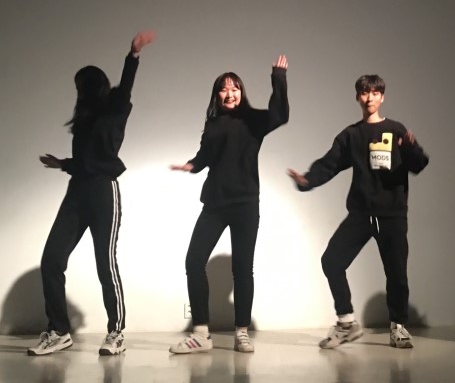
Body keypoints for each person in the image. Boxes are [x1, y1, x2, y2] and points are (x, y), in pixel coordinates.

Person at [28, 30, 155, 356]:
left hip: (103, 192)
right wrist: (62, 164)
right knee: (51, 260)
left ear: (94, 86)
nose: (79, 92)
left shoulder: (114, 109)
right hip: (77, 192)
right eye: (77, 88)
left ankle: (116, 332)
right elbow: (85, 160)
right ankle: (59, 331)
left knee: (105, 264)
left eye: (82, 86)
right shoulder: (83, 121)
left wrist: (133, 55)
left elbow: (125, 88)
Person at [288, 74, 428, 350]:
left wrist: (411, 149)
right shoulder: (351, 135)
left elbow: (419, 164)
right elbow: (330, 164)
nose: (369, 98)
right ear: (357, 97)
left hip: (392, 214)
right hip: (361, 214)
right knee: (332, 261)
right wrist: (307, 180)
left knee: (396, 273)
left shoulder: (396, 130)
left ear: (382, 97)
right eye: (364, 93)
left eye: (375, 93)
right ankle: (346, 323)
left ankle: (398, 327)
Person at [169, 56, 289, 354]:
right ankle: (200, 334)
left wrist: (278, 78)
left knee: (242, 268)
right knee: (194, 261)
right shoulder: (212, 124)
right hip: (215, 203)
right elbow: (205, 155)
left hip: (245, 204)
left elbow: (280, 115)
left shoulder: (253, 120)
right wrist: (191, 165)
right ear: (217, 95)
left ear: (241, 92)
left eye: (235, 88)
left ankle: (242, 333)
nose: (230, 93)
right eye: (223, 89)